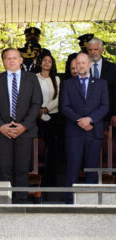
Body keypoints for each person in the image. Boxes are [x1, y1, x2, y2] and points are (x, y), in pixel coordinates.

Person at [0, 48, 42, 203]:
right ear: (3, 61)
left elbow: (36, 103)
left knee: (22, 168)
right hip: (2, 131)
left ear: (21, 60)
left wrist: (23, 126)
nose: (11, 61)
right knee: (5, 168)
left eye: (14, 58)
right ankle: (6, 200)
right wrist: (1, 126)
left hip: (24, 130)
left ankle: (21, 201)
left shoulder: (31, 78)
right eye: (7, 58)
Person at [60, 52, 109, 203]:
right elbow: (64, 107)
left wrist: (90, 119)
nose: (81, 66)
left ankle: (90, 201)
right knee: (72, 168)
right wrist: (79, 121)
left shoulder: (101, 83)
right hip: (74, 132)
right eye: (78, 63)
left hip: (94, 133)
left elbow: (105, 106)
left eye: (83, 63)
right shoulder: (67, 84)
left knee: (92, 169)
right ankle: (69, 201)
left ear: (89, 64)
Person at [36, 54, 61, 187]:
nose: (46, 63)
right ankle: (34, 177)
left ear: (52, 64)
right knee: (35, 148)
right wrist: (38, 110)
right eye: (44, 60)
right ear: (40, 63)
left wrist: (45, 109)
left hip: (52, 117)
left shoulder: (56, 79)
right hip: (35, 118)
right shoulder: (34, 78)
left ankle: (49, 180)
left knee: (50, 150)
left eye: (49, 61)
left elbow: (57, 99)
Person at [87, 37, 116, 127]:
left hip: (107, 117)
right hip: (87, 117)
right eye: (90, 49)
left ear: (102, 50)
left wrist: (115, 114)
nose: (93, 52)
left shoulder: (113, 68)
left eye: (96, 49)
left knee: (107, 141)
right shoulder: (83, 67)